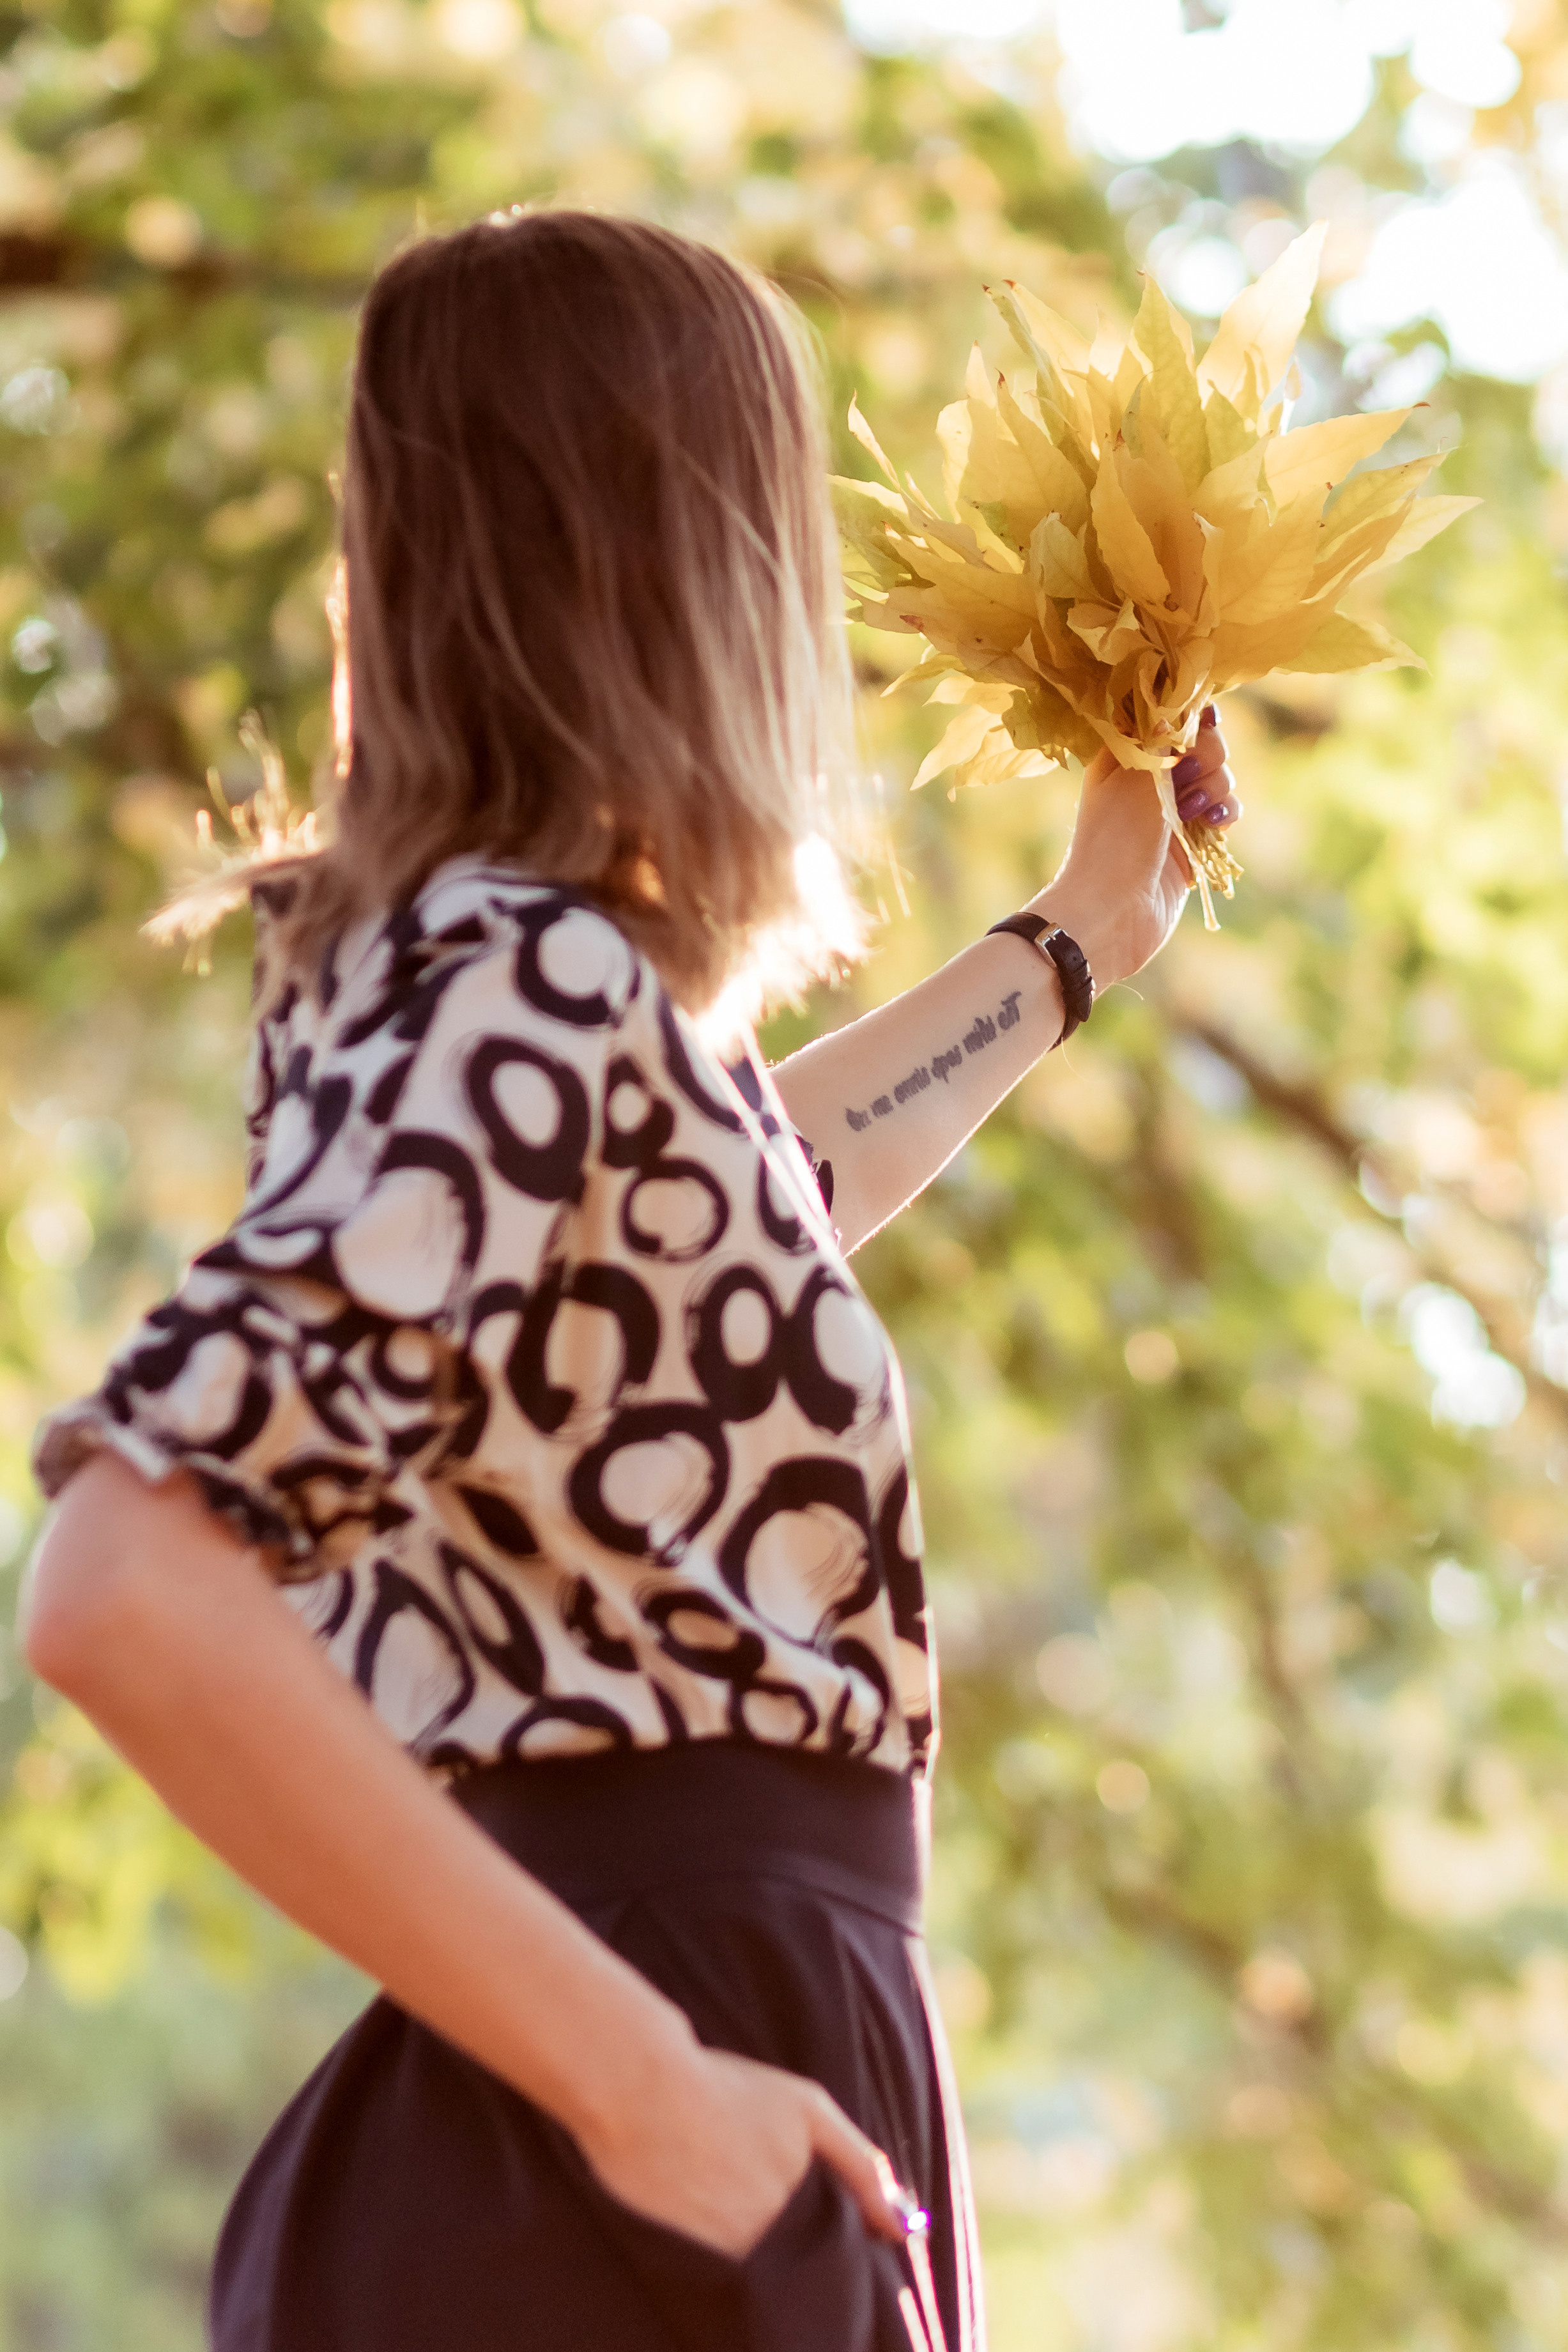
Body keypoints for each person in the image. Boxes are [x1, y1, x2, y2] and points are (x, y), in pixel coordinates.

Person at [20, 211, 1240, 2352]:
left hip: (684, 2104)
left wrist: (1075, 942)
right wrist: (652, 2090)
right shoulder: (519, 991)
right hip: (633, 2136)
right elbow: (126, 1580)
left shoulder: (503, 1003)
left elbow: (743, 1197)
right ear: (697, 570)